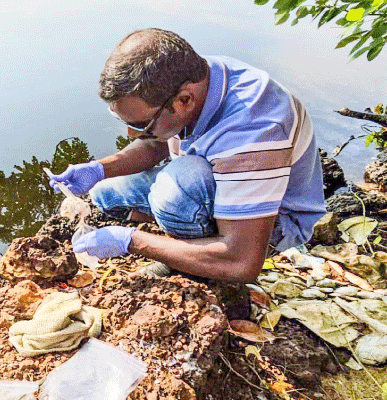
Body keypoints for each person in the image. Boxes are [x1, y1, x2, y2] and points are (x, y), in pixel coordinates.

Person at [50, 28, 326, 294]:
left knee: (177, 193)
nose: (131, 134)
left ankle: (193, 266)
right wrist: (99, 169)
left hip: (270, 225)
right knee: (103, 194)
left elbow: (243, 262)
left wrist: (132, 241)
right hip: (212, 179)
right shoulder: (193, 77)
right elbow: (157, 141)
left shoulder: (255, 131)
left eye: (141, 124)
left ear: (184, 100)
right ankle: (182, 229)